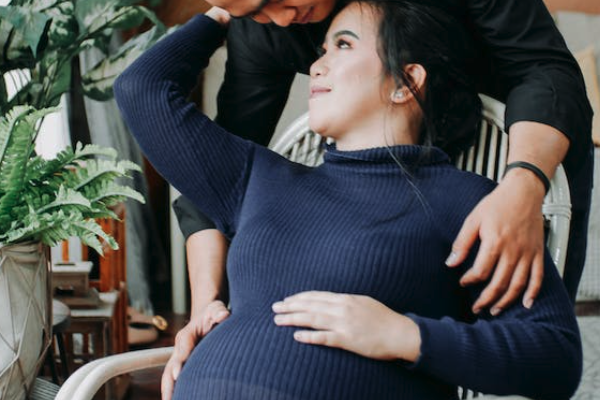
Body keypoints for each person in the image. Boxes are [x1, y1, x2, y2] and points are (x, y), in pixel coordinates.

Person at [114, 2, 582, 399]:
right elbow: (141, 88)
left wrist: (405, 336)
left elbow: (555, 358)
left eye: (342, 45)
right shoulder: (257, 176)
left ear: (405, 82)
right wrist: (224, 12)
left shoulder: (471, 205)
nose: (316, 65)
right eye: (322, 50)